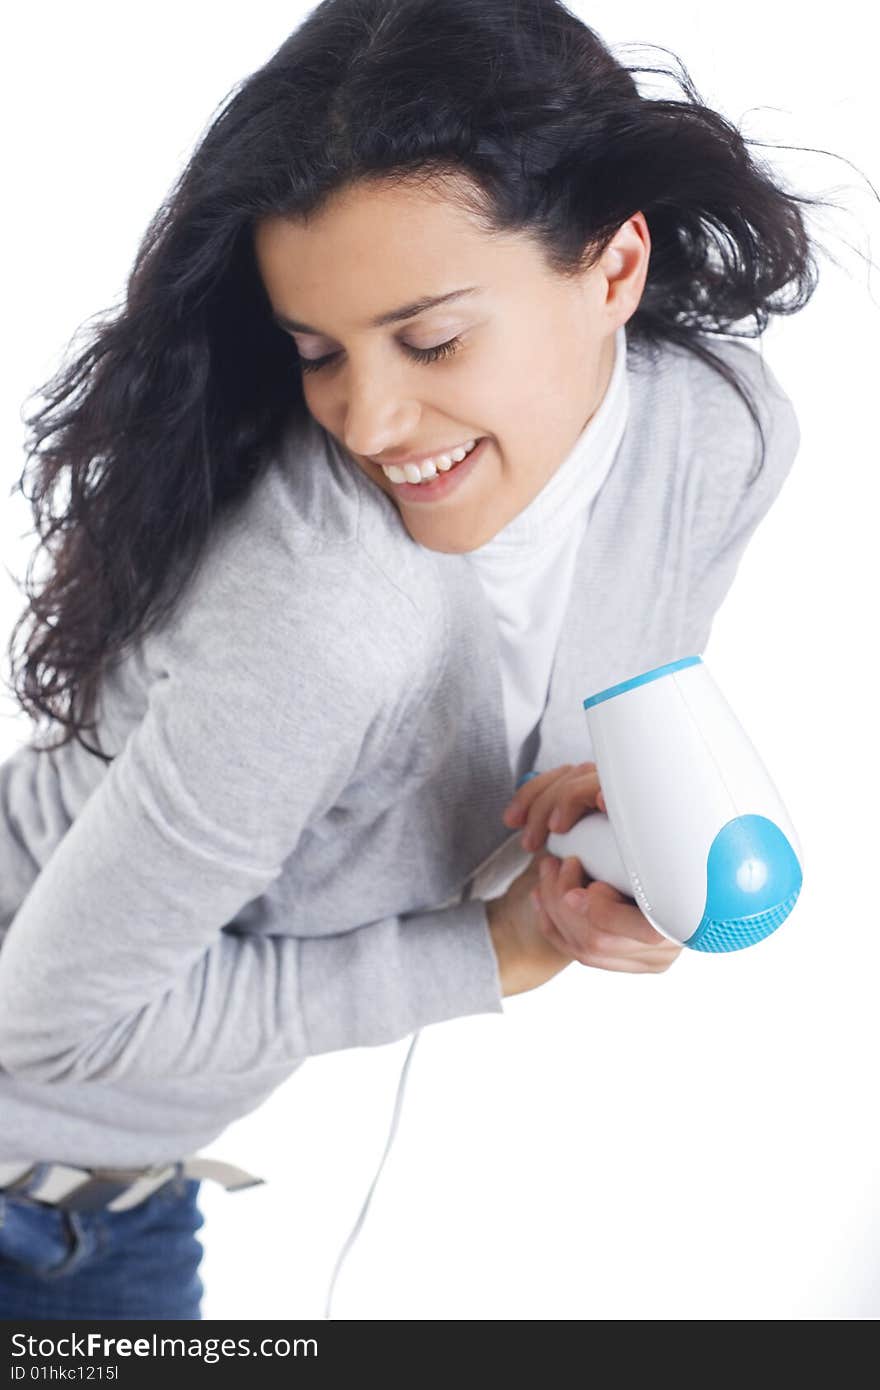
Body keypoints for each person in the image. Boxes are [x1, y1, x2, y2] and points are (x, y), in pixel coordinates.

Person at [0, 0, 836, 1320]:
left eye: (432, 338)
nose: (369, 421)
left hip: (126, 1191)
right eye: (316, 354)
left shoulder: (721, 437)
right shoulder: (325, 621)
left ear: (617, 268)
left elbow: (597, 702)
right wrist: (491, 948)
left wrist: (618, 832)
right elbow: (38, 1027)